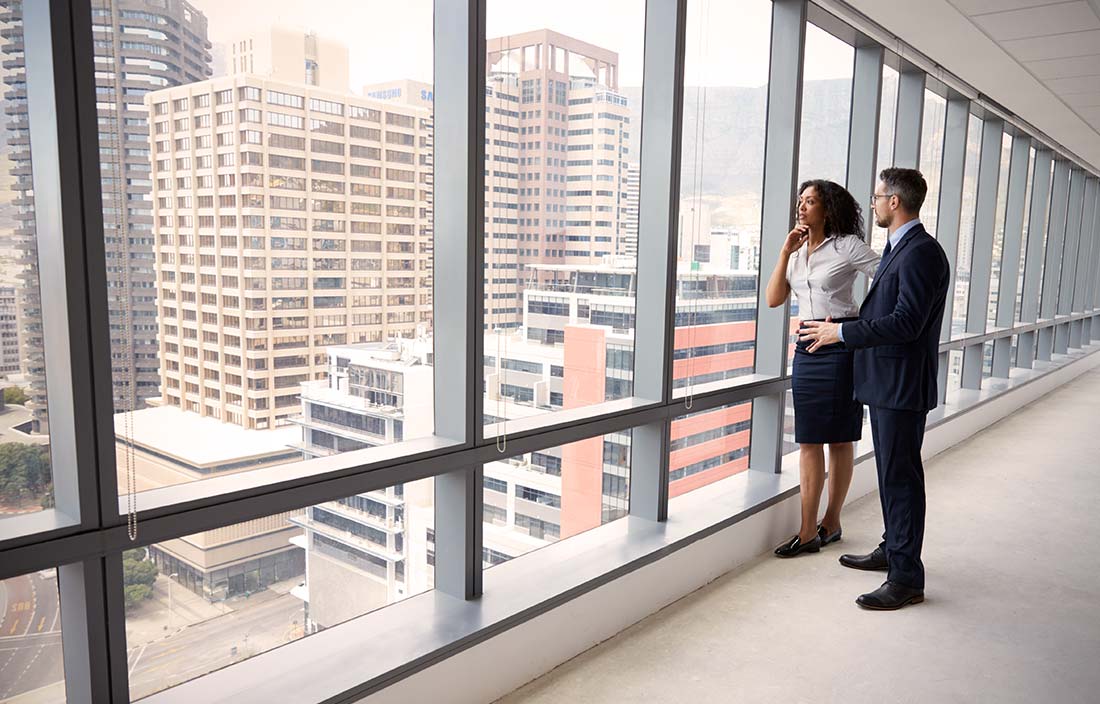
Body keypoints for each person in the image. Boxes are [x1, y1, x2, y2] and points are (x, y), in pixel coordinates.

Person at [800, 167, 950, 610]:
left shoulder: (920, 252)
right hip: (888, 383)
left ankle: (906, 578)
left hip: (900, 385)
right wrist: (844, 325)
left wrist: (842, 336)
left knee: (901, 478)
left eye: (878, 196)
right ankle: (894, 549)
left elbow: (907, 323)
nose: (873, 204)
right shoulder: (901, 249)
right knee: (891, 475)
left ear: (895, 203)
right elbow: (888, 314)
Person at [765, 179, 880, 558]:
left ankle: (831, 522)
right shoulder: (797, 251)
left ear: (827, 209)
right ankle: (807, 530)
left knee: (840, 438)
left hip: (838, 349)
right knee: (808, 439)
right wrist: (785, 252)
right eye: (800, 200)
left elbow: (888, 275)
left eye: (810, 201)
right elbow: (774, 299)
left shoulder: (847, 246)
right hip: (805, 351)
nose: (801, 207)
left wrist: (852, 326)